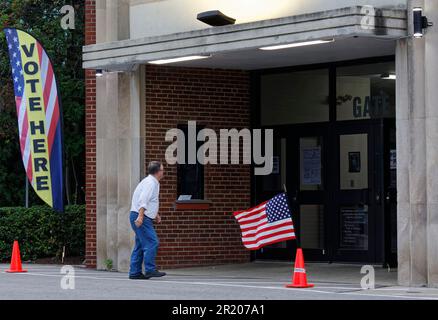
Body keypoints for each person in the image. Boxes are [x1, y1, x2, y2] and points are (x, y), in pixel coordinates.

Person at [128, 161, 166, 279]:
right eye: (162, 170)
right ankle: (150, 269)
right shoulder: (151, 183)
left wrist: (156, 214)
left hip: (141, 215)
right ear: (157, 172)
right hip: (141, 217)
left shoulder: (151, 182)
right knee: (152, 242)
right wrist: (140, 216)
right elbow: (143, 200)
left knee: (139, 245)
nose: (163, 172)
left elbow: (150, 201)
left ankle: (135, 273)